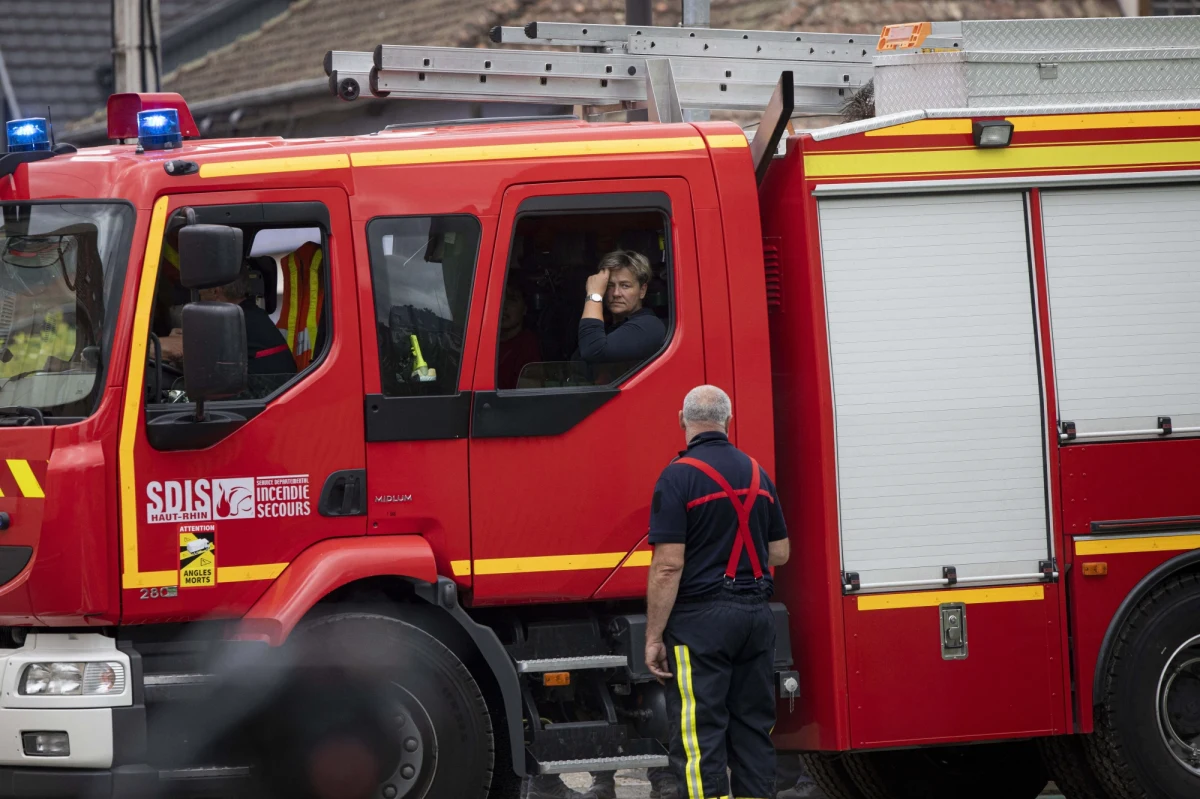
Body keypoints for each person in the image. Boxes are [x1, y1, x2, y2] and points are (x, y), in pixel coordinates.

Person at [644, 385, 790, 799]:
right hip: (756, 618)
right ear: (729, 421)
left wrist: (654, 636)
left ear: (682, 421)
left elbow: (669, 565)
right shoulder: (757, 472)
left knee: (699, 737)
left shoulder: (677, 476)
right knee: (753, 731)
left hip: (700, 625)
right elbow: (780, 550)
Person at [159, 262, 298, 378]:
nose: (199, 295)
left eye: (200, 290)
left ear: (215, 291)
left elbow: (178, 350)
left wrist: (140, 345)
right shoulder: (250, 315)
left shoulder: (231, 322)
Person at [576, 250, 666, 365]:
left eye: (625, 286)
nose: (616, 293)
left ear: (642, 290)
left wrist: (594, 295)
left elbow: (593, 351)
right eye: (609, 286)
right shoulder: (606, 326)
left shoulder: (649, 325)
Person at [497, 283, 542, 389]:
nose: (504, 305)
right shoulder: (482, 342)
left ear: (524, 309)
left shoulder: (528, 346)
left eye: (512, 299)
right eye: (499, 298)